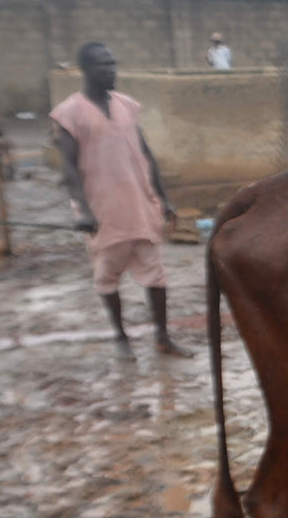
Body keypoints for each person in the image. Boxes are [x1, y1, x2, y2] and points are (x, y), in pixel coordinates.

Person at [50, 42, 191, 361]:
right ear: (85, 70)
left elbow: (146, 153)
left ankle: (163, 337)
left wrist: (163, 199)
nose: (111, 70)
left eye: (113, 63)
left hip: (140, 205)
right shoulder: (69, 113)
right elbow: (69, 167)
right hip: (102, 210)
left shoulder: (126, 105)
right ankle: (121, 335)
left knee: (156, 276)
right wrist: (84, 210)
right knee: (107, 276)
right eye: (103, 65)